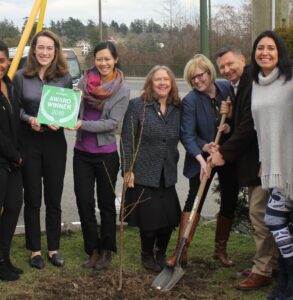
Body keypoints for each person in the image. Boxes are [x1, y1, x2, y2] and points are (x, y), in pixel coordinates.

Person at [212, 46, 279, 290]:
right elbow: (242, 121)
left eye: (230, 64)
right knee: (266, 215)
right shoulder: (238, 85)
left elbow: (250, 126)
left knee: (259, 215)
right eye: (222, 67)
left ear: (243, 59)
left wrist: (224, 153)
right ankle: (269, 263)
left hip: (262, 162)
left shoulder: (253, 82)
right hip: (257, 162)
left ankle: (263, 271)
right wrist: (228, 119)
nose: (227, 70)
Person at [166, 54, 239, 268]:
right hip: (203, 159)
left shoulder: (227, 88)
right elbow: (187, 134)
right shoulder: (190, 101)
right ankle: (182, 250)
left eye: (200, 75)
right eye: (193, 79)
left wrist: (229, 124)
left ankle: (220, 250)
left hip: (226, 155)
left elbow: (240, 118)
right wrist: (204, 148)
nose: (197, 81)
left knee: (230, 198)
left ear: (209, 72)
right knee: (194, 200)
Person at [13, 30, 72, 269]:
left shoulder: (65, 78)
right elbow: (15, 109)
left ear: (56, 51)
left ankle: (54, 248)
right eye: (41, 47)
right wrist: (29, 119)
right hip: (29, 141)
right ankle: (35, 250)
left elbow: (70, 112)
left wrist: (66, 117)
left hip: (55, 142)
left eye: (50, 48)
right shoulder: (20, 76)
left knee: (54, 198)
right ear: (33, 50)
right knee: (33, 198)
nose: (45, 52)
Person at [73, 41, 130, 270]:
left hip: (106, 154)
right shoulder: (84, 81)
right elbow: (74, 109)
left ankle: (107, 249)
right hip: (82, 154)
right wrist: (73, 101)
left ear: (115, 59)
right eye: (99, 59)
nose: (103, 63)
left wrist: (81, 124)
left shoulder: (122, 88)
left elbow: (112, 124)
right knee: (84, 202)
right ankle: (92, 249)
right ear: (94, 60)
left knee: (107, 204)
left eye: (107, 59)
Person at [250, 30, 293, 300]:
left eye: (270, 47)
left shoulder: (292, 78)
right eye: (260, 48)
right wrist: (263, 161)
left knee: (275, 219)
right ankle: (288, 281)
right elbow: (259, 128)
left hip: (291, 163)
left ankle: (292, 282)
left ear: (279, 52)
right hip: (273, 165)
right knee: (282, 222)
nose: (264, 52)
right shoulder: (256, 81)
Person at [121, 65, 181, 272]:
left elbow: (188, 135)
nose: (163, 83)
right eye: (158, 80)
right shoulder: (137, 106)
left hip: (167, 174)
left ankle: (161, 252)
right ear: (150, 83)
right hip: (144, 173)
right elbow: (127, 140)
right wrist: (127, 169)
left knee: (169, 221)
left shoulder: (177, 108)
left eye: (166, 79)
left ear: (172, 83)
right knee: (149, 223)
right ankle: (146, 254)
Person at [0, 41, 23, 281]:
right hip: (3, 160)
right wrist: (14, 155)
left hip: (14, 161)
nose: (0, 65)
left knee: (14, 207)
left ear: (8, 61)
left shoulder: (10, 85)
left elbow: (16, 124)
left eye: (2, 60)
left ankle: (4, 259)